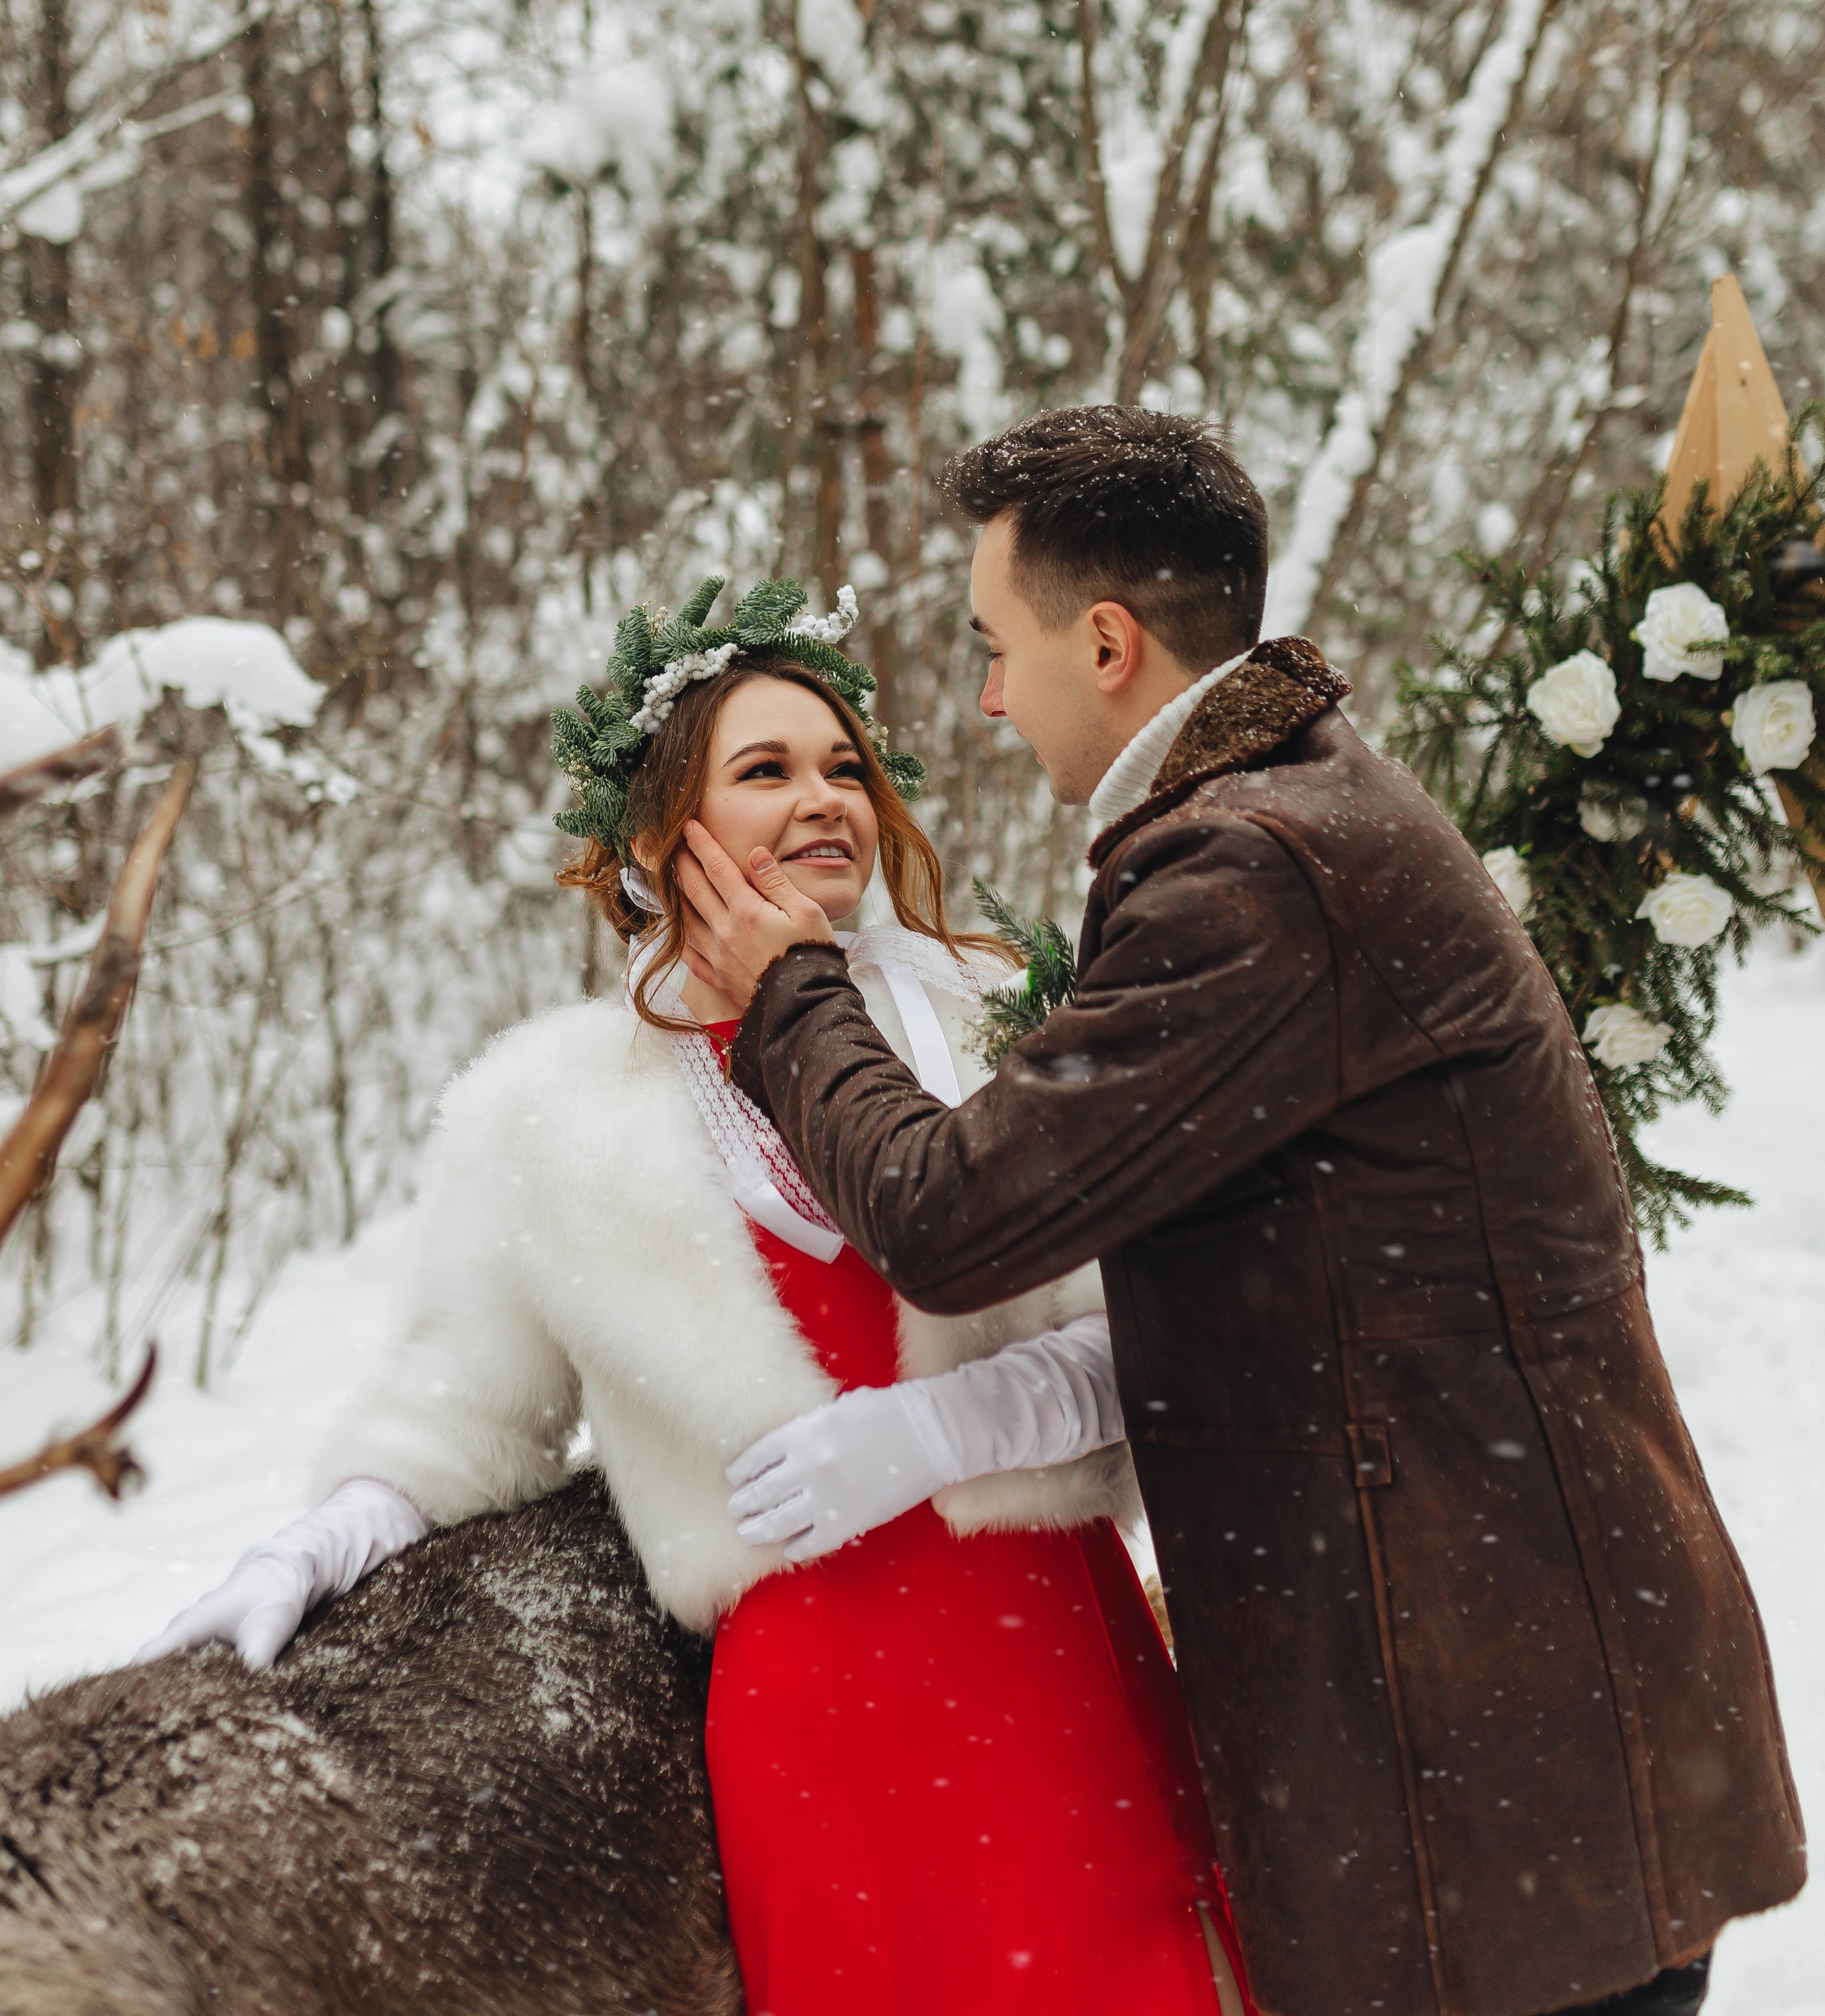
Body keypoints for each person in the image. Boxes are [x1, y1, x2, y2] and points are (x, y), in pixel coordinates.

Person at [677, 408, 1806, 2016]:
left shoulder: (1253, 875)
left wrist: (790, 990)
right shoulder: (1286, 815)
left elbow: (947, 1216)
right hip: (1497, 1757)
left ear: (1110, 642)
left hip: (1492, 1788)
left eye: (997, 646)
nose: (988, 696)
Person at [137, 575, 1252, 2016]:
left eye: (845, 765)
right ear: (666, 835)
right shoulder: (549, 1119)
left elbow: (1156, 1344)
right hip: (814, 1732)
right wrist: (321, 1540)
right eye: (766, 770)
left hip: (1057, 1671)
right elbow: (461, 1418)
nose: (824, 799)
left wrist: (942, 1432)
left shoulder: (996, 1017)